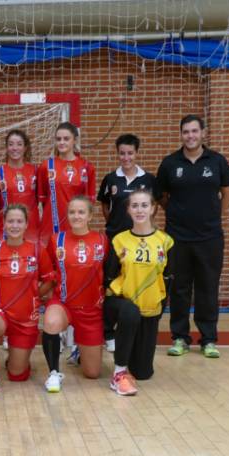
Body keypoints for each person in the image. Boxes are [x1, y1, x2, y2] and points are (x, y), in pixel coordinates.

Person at [157, 115, 229, 358]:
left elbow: (228, 192)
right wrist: (177, 214)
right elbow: (161, 196)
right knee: (179, 289)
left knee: (207, 288)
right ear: (181, 134)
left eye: (194, 131)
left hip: (210, 238)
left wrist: (213, 216)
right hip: (178, 238)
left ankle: (208, 339)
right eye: (186, 132)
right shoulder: (170, 163)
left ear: (203, 133)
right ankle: (180, 338)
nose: (190, 136)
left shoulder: (217, 161)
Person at [104, 189, 174, 395]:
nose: (139, 210)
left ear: (153, 208)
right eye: (134, 206)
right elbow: (109, 276)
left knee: (143, 373)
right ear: (128, 210)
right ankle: (119, 372)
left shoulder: (165, 241)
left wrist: (161, 306)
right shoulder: (119, 240)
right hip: (122, 303)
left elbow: (169, 278)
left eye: (144, 205)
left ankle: (129, 358)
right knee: (130, 311)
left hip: (150, 308)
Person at [0, 204, 54, 392]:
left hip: (25, 317)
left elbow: (50, 280)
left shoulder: (37, 250)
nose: (14, 225)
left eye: (19, 221)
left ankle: (15, 359)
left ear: (26, 224)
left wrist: (35, 294)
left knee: (17, 375)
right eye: (10, 221)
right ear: (4, 223)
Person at [97, 134, 158, 351]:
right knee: (111, 284)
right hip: (115, 240)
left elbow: (153, 206)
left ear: (137, 153)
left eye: (130, 153)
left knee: (133, 282)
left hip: (139, 242)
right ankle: (108, 332)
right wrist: (115, 225)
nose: (126, 157)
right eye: (122, 153)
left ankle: (132, 329)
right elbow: (105, 206)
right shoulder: (110, 179)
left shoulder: (148, 179)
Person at [42, 196, 108, 393]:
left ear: (90, 216)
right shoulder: (56, 240)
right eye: (72, 212)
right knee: (51, 322)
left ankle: (80, 350)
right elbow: (47, 272)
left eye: (81, 212)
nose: (76, 216)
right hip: (64, 303)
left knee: (92, 373)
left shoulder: (102, 240)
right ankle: (54, 373)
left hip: (91, 310)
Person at [37, 122, 96, 248]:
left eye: (66, 139)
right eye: (58, 139)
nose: (62, 142)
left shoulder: (87, 167)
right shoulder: (46, 166)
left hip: (76, 225)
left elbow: (89, 202)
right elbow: (43, 200)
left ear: (75, 140)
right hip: (50, 226)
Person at [0, 129, 39, 244]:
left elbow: (41, 199)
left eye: (19, 144)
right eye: (11, 144)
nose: (15, 148)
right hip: (6, 231)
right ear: (6, 147)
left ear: (25, 147)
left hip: (31, 231)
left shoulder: (36, 171)